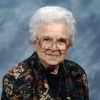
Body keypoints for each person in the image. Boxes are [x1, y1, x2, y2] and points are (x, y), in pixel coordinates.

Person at [1, 6, 89, 100]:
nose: (54, 48)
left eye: (61, 41)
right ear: (35, 42)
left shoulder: (77, 73)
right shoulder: (16, 78)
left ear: (68, 44)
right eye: (47, 40)